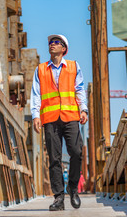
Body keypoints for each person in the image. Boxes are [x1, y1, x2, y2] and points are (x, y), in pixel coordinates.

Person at [31, 34, 88, 211]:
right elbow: (36, 94)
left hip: (70, 116)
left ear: (64, 48)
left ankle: (73, 188)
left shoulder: (73, 66)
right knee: (54, 159)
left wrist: (83, 109)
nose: (52, 45)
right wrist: (35, 115)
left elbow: (79, 89)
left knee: (77, 152)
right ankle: (58, 198)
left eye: (56, 43)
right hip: (50, 119)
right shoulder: (40, 69)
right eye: (50, 43)